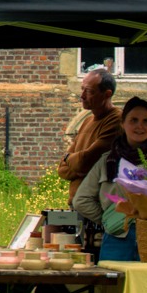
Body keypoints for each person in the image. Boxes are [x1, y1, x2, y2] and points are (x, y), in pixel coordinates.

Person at [73, 96, 147, 263]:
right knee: (115, 288)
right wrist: (110, 218)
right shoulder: (107, 162)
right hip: (117, 240)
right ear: (123, 124)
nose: (140, 126)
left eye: (145, 121)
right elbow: (81, 200)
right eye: (133, 120)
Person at [56, 68, 120, 206]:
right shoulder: (87, 121)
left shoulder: (116, 120)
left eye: (89, 91)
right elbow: (62, 169)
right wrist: (76, 163)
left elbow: (86, 162)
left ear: (107, 94)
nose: (82, 96)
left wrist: (72, 160)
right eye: (82, 89)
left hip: (95, 206)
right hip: (76, 203)